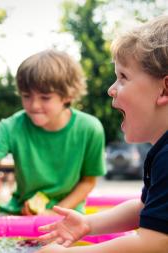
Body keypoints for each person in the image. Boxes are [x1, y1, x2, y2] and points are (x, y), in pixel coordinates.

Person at [34, 15, 168, 253]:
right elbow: (145, 208)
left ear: (164, 89)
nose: (111, 89)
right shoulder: (161, 153)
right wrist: (88, 223)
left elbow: (155, 243)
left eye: (123, 77)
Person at [0, 49, 106, 215]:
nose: (34, 105)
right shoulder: (10, 127)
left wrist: (54, 212)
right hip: (19, 212)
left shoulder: (90, 128)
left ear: (67, 95)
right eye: (26, 96)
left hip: (68, 214)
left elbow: (88, 181)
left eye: (45, 97)